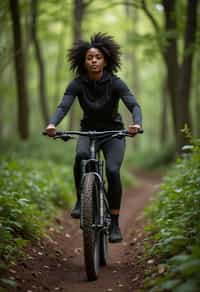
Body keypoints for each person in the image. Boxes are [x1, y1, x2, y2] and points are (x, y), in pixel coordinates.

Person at [45, 32, 142, 243]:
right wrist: (53, 124)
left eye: (98, 57)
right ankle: (82, 201)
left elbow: (133, 105)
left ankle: (114, 222)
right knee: (80, 156)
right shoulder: (77, 84)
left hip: (113, 133)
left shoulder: (116, 83)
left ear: (105, 60)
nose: (94, 60)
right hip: (88, 132)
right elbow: (63, 106)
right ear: (84, 61)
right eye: (90, 57)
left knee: (113, 170)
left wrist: (136, 123)